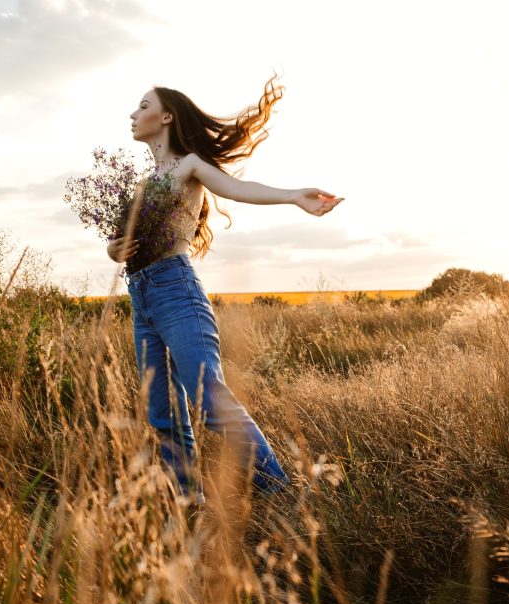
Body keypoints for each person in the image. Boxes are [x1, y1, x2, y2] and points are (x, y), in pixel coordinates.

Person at [106, 73, 343, 507]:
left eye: (142, 106)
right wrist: (113, 248)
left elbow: (238, 188)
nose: (133, 114)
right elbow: (122, 243)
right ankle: (188, 499)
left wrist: (293, 196)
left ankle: (279, 492)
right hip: (141, 298)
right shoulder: (142, 184)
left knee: (208, 397)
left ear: (166, 116)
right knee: (164, 411)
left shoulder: (189, 165)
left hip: (177, 293)